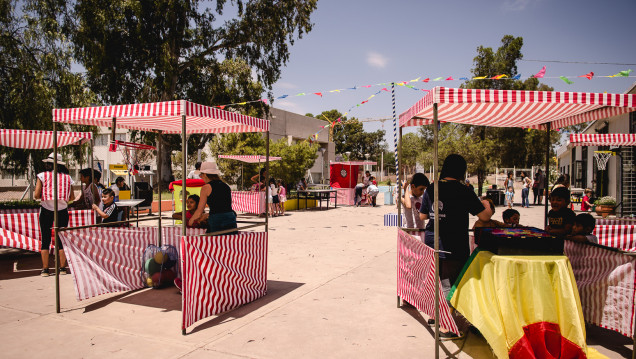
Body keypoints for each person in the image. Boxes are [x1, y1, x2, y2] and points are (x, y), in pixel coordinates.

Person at [418, 154, 491, 337]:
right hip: (453, 243)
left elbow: (422, 216)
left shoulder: (433, 187)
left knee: (438, 279)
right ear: (461, 170)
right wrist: (485, 204)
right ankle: (445, 324)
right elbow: (484, 216)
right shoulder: (463, 190)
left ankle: (435, 315)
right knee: (450, 283)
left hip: (431, 240)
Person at [34, 153, 75, 277]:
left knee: (45, 239)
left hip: (46, 209)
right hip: (62, 210)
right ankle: (62, 268)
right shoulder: (68, 178)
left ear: (48, 163)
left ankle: (45, 269)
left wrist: (47, 195)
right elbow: (72, 197)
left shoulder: (41, 176)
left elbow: (36, 195)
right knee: (61, 239)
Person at [189, 161, 237, 234]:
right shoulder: (225, 186)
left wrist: (191, 221)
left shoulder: (206, 188)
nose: (200, 177)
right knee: (229, 242)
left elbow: (199, 211)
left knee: (215, 243)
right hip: (230, 217)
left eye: (201, 174)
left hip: (216, 220)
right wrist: (207, 215)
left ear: (205, 174)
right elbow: (223, 207)